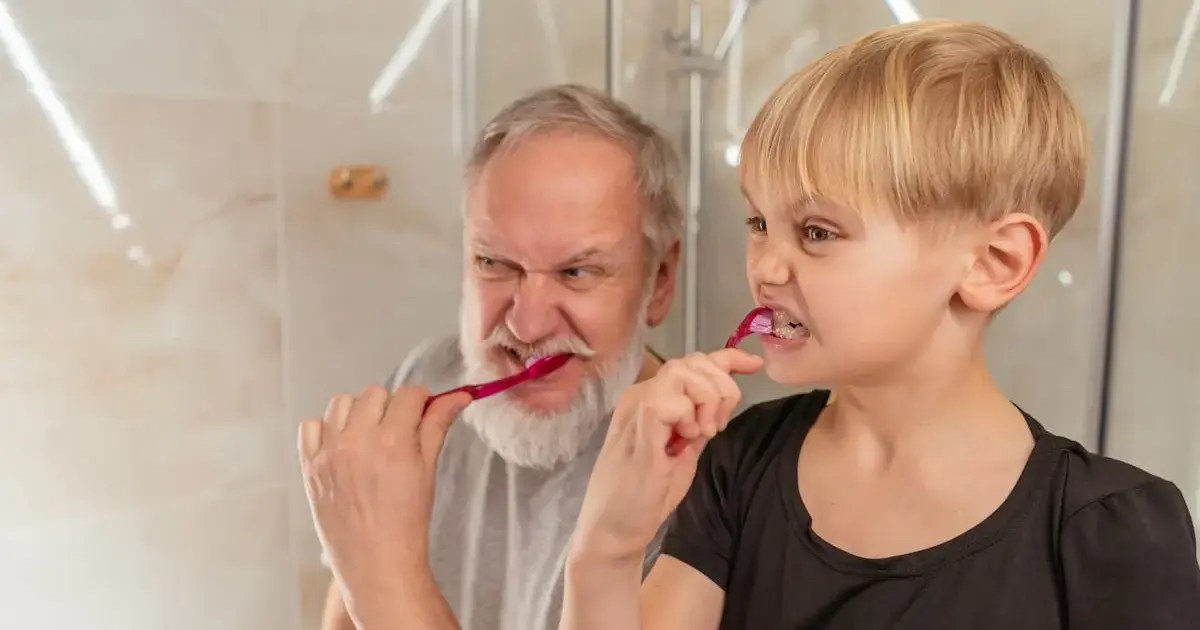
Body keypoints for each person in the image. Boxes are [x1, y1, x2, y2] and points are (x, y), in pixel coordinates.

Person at [560, 20, 1200, 630]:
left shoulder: (1106, 528)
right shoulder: (738, 465)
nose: (765, 269)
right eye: (759, 223)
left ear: (991, 263)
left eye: (817, 232)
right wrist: (607, 547)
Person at [297, 84, 684, 630]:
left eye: (577, 272)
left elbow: (372, 587)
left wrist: (386, 575)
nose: (526, 325)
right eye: (493, 263)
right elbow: (346, 611)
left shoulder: (699, 480)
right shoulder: (428, 380)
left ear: (661, 280)